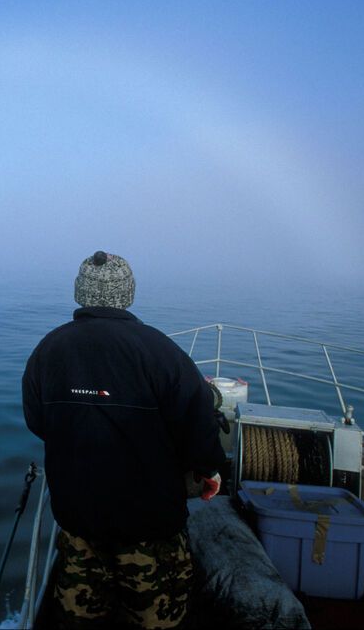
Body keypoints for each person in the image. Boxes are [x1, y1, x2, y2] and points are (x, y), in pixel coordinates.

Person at [22, 251, 226, 629]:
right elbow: (198, 430)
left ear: (80, 292)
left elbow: (38, 422)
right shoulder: (161, 352)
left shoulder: (47, 350)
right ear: (127, 293)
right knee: (156, 620)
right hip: (149, 523)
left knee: (78, 618)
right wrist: (208, 470)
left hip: (78, 517)